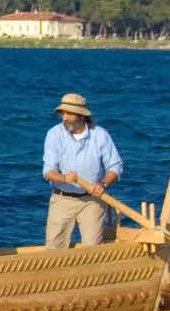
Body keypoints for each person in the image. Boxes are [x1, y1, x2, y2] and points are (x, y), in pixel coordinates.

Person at [42, 92, 123, 248]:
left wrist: (103, 184)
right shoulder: (54, 134)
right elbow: (48, 172)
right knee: (54, 249)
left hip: (92, 201)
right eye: (63, 113)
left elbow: (115, 166)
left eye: (69, 114)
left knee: (92, 248)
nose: (64, 118)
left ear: (81, 115)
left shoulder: (100, 135)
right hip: (62, 199)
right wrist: (64, 178)